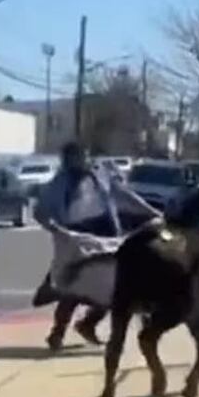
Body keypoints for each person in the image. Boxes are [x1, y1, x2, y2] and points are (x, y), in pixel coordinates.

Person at [34, 141, 160, 352]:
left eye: (85, 155)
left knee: (111, 284)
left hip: (106, 232)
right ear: (67, 159)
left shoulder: (100, 175)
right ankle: (57, 332)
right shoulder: (57, 184)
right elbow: (40, 213)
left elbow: (124, 196)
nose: (83, 160)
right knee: (73, 288)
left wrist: (151, 212)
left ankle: (88, 323)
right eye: (77, 156)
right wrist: (55, 228)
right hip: (76, 238)